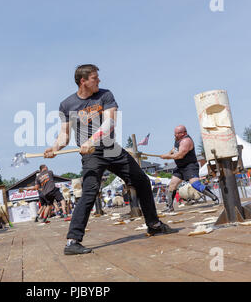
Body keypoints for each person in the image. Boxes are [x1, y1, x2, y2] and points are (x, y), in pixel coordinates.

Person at [44, 64, 177, 255]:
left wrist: (91, 139)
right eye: (94, 78)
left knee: (142, 182)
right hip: (92, 155)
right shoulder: (67, 105)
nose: (99, 81)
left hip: (111, 149)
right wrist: (55, 148)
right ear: (83, 81)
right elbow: (64, 135)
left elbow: (109, 122)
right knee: (89, 192)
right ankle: (72, 242)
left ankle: (154, 225)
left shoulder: (105, 95)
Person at [160, 125, 219, 212]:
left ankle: (214, 197)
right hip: (180, 167)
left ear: (184, 133)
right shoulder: (177, 140)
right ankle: (169, 206)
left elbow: (180, 155)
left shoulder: (186, 141)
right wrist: (167, 154)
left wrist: (167, 157)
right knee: (172, 185)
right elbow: (174, 150)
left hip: (190, 166)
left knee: (195, 184)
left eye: (177, 133)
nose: (175, 135)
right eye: (175, 133)